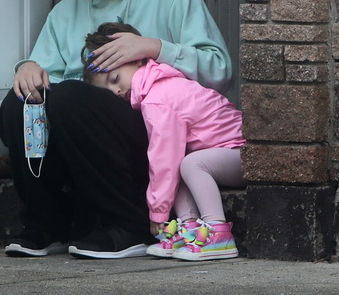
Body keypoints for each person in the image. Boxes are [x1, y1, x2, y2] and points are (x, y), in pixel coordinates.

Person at [0, 0, 233, 259]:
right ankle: (46, 225)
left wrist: (156, 48)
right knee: (19, 105)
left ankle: (128, 224)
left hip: (158, 138)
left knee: (74, 96)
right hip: (85, 144)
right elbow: (47, 82)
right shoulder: (66, 12)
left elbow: (219, 70)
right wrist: (27, 67)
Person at [82, 22, 245, 261]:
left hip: (242, 152)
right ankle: (190, 230)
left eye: (115, 78)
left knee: (188, 164)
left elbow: (163, 160)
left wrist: (158, 213)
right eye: (108, 90)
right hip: (225, 155)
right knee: (183, 164)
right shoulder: (158, 86)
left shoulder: (158, 97)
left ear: (137, 59)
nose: (116, 91)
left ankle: (218, 233)